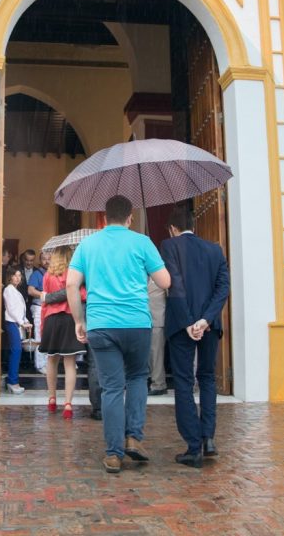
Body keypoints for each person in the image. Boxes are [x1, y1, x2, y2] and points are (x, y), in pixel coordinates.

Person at [67, 195, 171, 474]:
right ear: (130, 217)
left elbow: (71, 284)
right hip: (137, 323)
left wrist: (79, 320)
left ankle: (113, 454)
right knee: (137, 378)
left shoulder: (88, 245)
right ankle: (133, 438)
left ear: (104, 216)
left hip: (101, 324)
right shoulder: (141, 242)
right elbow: (165, 281)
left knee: (112, 388)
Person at [161, 206, 230, 469]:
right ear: (194, 225)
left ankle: (193, 446)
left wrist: (190, 321)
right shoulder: (215, 250)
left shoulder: (169, 246)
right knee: (208, 378)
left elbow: (174, 285)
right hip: (209, 324)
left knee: (183, 381)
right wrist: (206, 319)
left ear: (172, 229)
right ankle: (208, 437)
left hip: (182, 324)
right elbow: (223, 287)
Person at [39, 246, 87, 419]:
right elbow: (82, 295)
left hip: (52, 319)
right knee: (69, 363)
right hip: (69, 318)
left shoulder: (47, 275)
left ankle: (52, 399)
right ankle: (67, 404)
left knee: (51, 361)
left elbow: (44, 302)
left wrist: (42, 326)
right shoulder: (73, 274)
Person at [2, 266, 31, 394]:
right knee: (16, 350)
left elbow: (19, 310)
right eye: (15, 275)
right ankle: (12, 382)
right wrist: (21, 322)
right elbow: (12, 310)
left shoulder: (16, 290)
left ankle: (13, 381)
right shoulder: (8, 290)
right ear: (10, 277)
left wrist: (25, 321)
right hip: (12, 323)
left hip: (17, 323)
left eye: (20, 275)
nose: (18, 278)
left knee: (16, 351)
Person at [27, 251, 50, 374]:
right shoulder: (37, 274)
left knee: (48, 336)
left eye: (49, 258)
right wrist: (43, 295)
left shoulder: (53, 273)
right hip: (39, 308)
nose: (47, 261)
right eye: (44, 259)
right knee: (39, 336)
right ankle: (40, 364)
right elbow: (30, 290)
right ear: (40, 261)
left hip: (50, 308)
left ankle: (47, 363)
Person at [148, 279, 168, 395]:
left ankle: (159, 384)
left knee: (156, 352)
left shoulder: (162, 269)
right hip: (137, 318)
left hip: (158, 317)